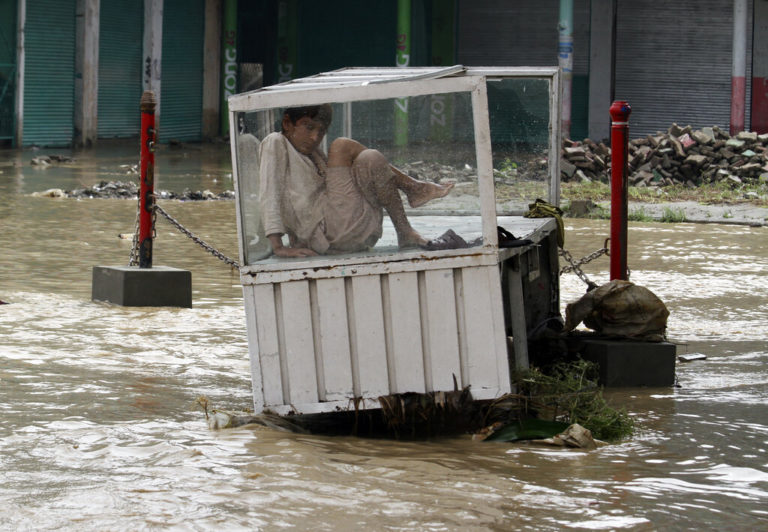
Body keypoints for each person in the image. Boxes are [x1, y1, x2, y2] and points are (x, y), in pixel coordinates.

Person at [258, 104, 454, 258]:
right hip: (324, 234)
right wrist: (278, 246)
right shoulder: (275, 141)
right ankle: (413, 187)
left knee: (371, 158)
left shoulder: (313, 154)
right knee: (342, 145)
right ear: (287, 123)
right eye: (308, 127)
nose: (315, 137)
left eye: (321, 131)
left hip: (347, 231)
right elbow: (269, 193)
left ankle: (404, 231)